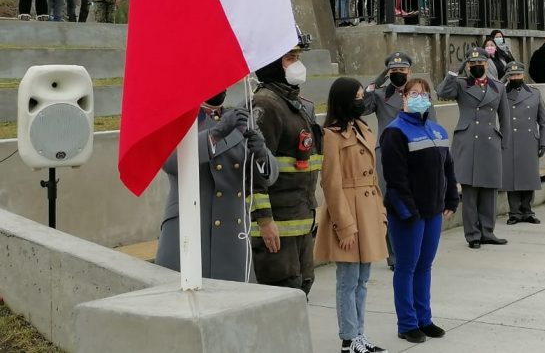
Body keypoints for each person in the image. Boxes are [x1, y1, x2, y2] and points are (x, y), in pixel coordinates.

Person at [155, 93, 278, 281]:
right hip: (192, 227)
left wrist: (261, 154)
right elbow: (170, 162)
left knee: (233, 301)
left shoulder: (240, 119)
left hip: (232, 231)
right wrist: (214, 135)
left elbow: (268, 177)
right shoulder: (181, 117)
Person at [380, 77, 458, 344]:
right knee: (407, 267)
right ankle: (407, 323)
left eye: (424, 94)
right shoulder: (395, 131)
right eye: (414, 93)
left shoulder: (437, 131)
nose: (419, 98)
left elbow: (447, 168)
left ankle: (425, 319)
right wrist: (409, 211)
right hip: (408, 214)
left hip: (433, 211)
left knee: (425, 266)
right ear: (404, 98)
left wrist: (451, 199)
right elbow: (395, 179)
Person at [314, 77, 389, 353]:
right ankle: (349, 338)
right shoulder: (331, 135)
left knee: (362, 280)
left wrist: (380, 213)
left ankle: (359, 333)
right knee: (348, 280)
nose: (362, 101)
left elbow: (374, 179)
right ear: (345, 100)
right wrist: (344, 225)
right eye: (357, 97)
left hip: (368, 213)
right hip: (348, 214)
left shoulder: (361, 128)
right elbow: (331, 184)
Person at [250, 45, 322, 295]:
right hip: (277, 227)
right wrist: (265, 220)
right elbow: (254, 170)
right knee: (283, 292)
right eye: (290, 58)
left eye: (297, 58)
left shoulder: (294, 104)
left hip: (300, 220)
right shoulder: (266, 104)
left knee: (302, 287)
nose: (297, 65)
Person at [363, 52, 438, 269]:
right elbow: (362, 107)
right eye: (393, 71)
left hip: (417, 153)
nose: (398, 74)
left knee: (416, 201)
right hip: (388, 154)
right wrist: (376, 82)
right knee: (393, 203)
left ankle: (416, 251)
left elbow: (431, 123)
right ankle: (395, 256)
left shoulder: (419, 95)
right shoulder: (380, 95)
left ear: (409, 72)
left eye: (401, 70)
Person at [436, 47, 510, 249]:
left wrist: (505, 144)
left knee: (489, 189)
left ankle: (488, 231)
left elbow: (504, 118)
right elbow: (441, 92)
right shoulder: (461, 84)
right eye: (473, 64)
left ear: (487, 64)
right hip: (467, 140)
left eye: (480, 63)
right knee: (469, 192)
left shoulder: (498, 87)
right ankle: (473, 235)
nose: (477, 66)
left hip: (490, 142)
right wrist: (455, 72)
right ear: (468, 65)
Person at [501, 62, 545, 224]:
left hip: (529, 140)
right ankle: (514, 212)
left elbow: (543, 121)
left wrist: (544, 142)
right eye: (512, 75)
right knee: (511, 177)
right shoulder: (501, 93)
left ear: (523, 75)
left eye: (518, 75)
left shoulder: (534, 93)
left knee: (529, 176)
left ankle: (527, 211)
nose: (515, 78)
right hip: (509, 140)